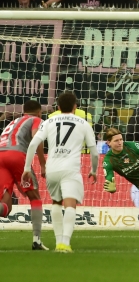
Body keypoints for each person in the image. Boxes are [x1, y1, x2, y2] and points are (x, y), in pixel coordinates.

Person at [22, 93, 99, 253]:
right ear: (75, 107)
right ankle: (65, 242)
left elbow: (33, 144)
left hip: (52, 168)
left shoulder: (48, 121)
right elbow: (94, 152)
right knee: (70, 204)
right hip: (70, 168)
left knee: (56, 202)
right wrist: (93, 170)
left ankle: (58, 242)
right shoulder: (83, 123)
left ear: (57, 107)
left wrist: (27, 168)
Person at [0, 100, 48, 250]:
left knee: (5, 208)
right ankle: (37, 240)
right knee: (35, 197)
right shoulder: (36, 120)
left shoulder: (13, 121)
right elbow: (37, 139)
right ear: (39, 112)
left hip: (1, 156)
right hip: (16, 155)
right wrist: (42, 163)